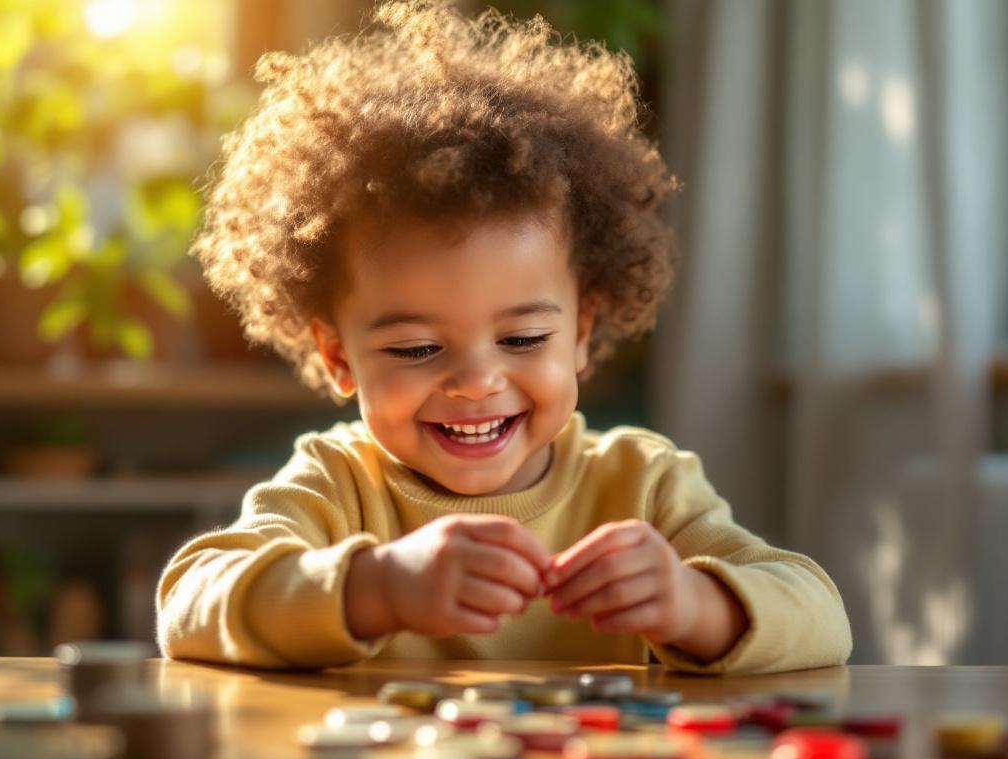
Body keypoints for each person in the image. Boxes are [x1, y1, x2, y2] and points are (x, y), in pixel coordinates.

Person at [158, 0, 851, 674]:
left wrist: (693, 603)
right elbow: (189, 603)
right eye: (416, 349)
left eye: (521, 339)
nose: (476, 382)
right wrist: (377, 587)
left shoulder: (642, 484)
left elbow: (822, 617)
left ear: (579, 331)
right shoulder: (338, 487)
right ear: (339, 354)